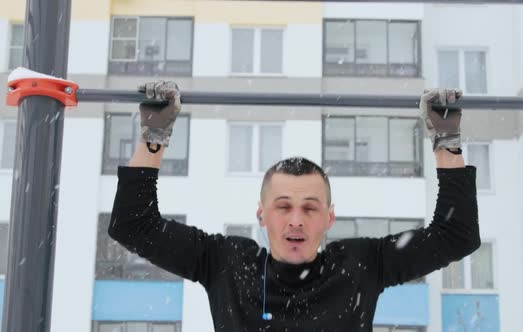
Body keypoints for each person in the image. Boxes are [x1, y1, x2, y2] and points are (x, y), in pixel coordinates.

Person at [108, 82, 480, 331]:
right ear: (261, 213)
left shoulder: (360, 264)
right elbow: (133, 225)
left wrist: (447, 141)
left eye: (310, 207)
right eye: (283, 206)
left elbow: (456, 235)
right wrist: (153, 134)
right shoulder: (226, 261)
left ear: (329, 217)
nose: (296, 220)